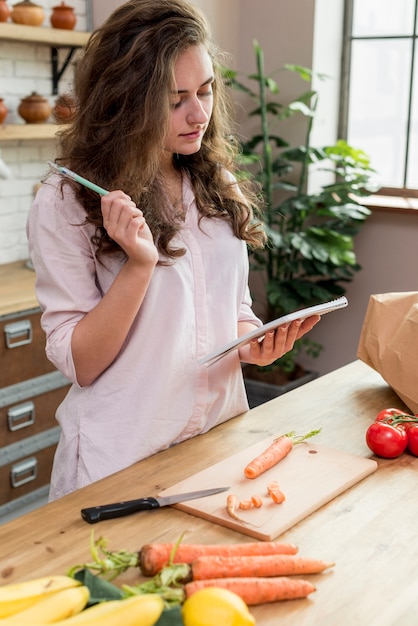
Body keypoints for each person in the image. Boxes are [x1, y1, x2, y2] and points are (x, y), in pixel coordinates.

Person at [27, 0, 320, 501]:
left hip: (217, 445)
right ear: (126, 101)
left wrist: (253, 342)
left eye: (205, 91)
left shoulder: (214, 182)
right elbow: (82, 363)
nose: (199, 113)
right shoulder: (66, 201)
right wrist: (138, 265)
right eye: (175, 98)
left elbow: (233, 308)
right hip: (121, 460)